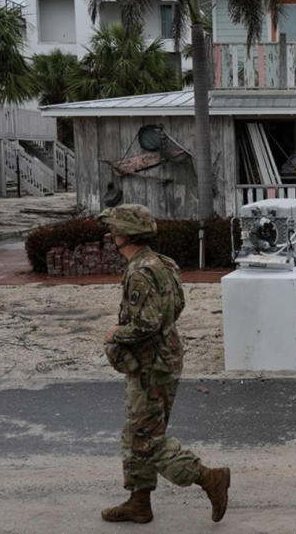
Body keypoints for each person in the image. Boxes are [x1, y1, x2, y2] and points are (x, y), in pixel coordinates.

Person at [98, 204, 231, 524]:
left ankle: (209, 478)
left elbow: (147, 324)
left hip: (150, 365)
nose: (110, 234)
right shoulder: (164, 263)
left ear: (126, 233)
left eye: (114, 229)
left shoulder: (141, 270)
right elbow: (176, 308)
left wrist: (115, 334)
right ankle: (139, 502)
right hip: (161, 359)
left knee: (146, 441)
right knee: (137, 434)